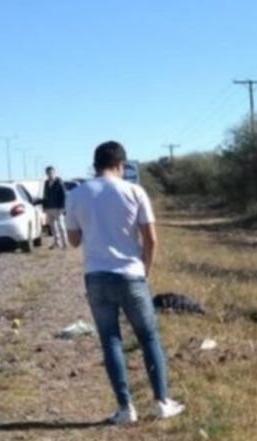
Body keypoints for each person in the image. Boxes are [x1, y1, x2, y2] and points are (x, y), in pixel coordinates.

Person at [66, 141, 185, 425]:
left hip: (96, 276)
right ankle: (161, 402)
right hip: (131, 274)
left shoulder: (77, 194)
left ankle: (125, 408)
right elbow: (151, 239)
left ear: (94, 165)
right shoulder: (134, 191)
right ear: (121, 164)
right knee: (148, 337)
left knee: (110, 341)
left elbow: (73, 240)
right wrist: (145, 270)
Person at [42, 166, 68, 249]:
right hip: (49, 208)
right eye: (48, 173)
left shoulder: (59, 181)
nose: (50, 174)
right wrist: (44, 207)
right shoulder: (46, 182)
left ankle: (65, 243)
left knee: (61, 226)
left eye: (51, 172)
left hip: (58, 208)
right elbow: (45, 195)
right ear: (46, 173)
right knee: (53, 227)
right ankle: (57, 243)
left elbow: (64, 195)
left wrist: (62, 207)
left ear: (54, 173)